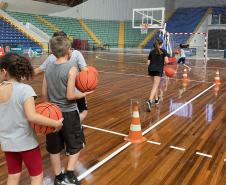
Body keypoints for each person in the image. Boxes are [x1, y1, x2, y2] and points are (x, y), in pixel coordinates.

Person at [0, 53, 63, 185]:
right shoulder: (25, 89)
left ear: (4, 71)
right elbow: (32, 116)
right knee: (36, 177)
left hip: (7, 143)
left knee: (13, 176)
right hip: (27, 143)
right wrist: (55, 123)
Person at [43, 36, 92, 185]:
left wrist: (49, 107)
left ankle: (58, 178)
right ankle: (70, 175)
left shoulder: (49, 67)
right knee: (75, 145)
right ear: (68, 51)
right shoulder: (72, 69)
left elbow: (44, 92)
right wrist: (83, 94)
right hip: (69, 113)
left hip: (52, 113)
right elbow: (70, 95)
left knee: (54, 148)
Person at [35, 31, 88, 122]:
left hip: (54, 99)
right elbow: (85, 71)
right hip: (73, 98)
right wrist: (84, 93)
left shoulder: (51, 59)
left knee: (57, 122)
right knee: (81, 114)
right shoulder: (75, 57)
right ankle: (77, 125)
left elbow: (44, 91)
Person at [146, 38, 169, 111]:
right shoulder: (164, 51)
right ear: (161, 44)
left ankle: (156, 99)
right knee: (155, 86)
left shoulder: (151, 51)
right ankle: (150, 101)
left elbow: (148, 63)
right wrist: (163, 63)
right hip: (157, 70)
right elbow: (167, 61)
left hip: (150, 70)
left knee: (154, 86)